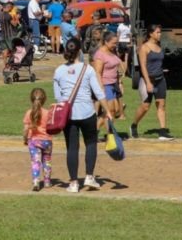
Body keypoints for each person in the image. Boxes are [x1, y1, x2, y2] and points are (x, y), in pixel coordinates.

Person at [54, 38, 113, 193]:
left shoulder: (59, 71)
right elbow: (98, 92)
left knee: (72, 148)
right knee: (91, 144)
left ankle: (73, 183)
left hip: (69, 115)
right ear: (80, 51)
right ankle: (89, 176)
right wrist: (107, 111)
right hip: (87, 112)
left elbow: (58, 97)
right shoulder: (88, 69)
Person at [92, 31, 124, 132]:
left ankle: (96, 130)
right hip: (106, 85)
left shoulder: (112, 51)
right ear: (106, 42)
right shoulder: (100, 54)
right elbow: (97, 73)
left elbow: (117, 63)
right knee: (110, 110)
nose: (115, 45)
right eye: (113, 43)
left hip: (114, 83)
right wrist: (101, 88)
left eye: (116, 43)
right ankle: (109, 133)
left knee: (115, 110)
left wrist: (119, 79)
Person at [23, 87, 53, 191]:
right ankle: (47, 181)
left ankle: (36, 181)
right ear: (44, 99)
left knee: (35, 162)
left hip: (34, 140)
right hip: (47, 140)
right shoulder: (48, 113)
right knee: (47, 161)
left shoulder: (29, 113)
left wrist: (25, 139)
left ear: (31, 99)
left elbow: (26, 129)